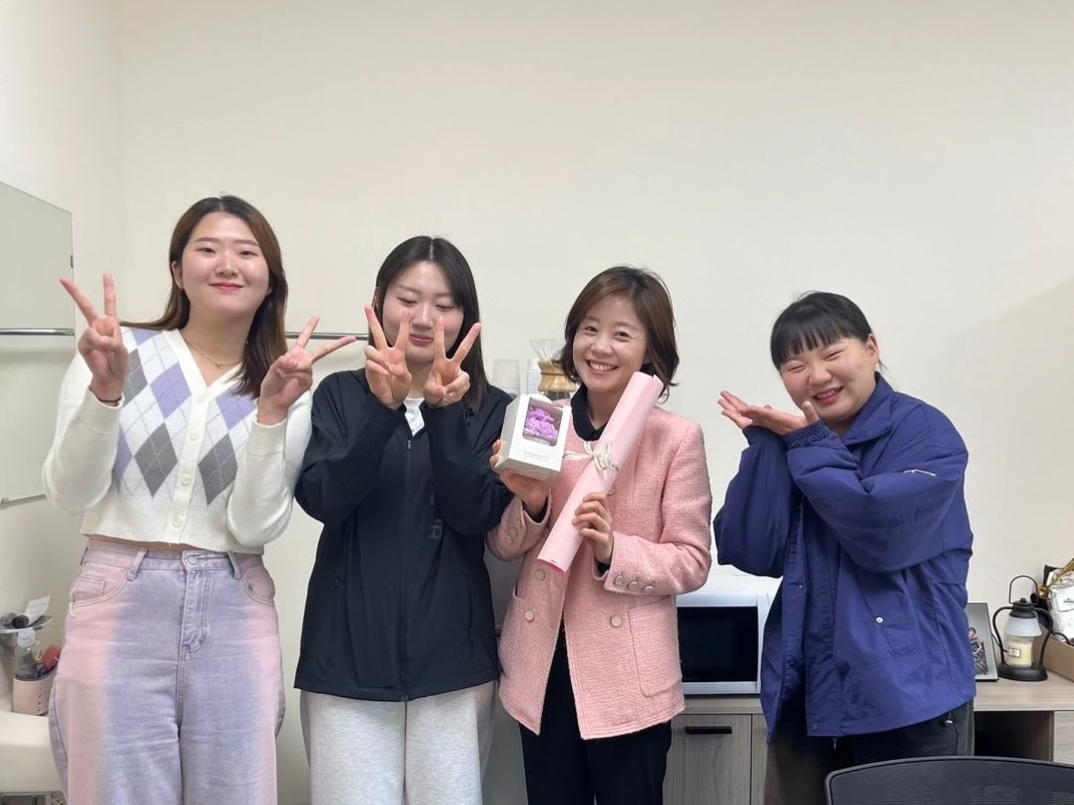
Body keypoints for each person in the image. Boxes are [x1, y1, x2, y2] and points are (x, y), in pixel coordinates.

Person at [42, 195, 352, 805]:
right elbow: (70, 493)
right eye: (208, 249)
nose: (227, 264)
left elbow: (254, 525)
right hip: (119, 602)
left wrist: (271, 414)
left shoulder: (286, 382)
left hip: (233, 603)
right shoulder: (115, 352)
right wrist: (105, 395)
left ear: (270, 281)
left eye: (246, 252)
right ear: (178, 271)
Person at [713, 291, 975, 805]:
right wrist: (766, 448)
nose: (816, 376)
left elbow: (879, 532)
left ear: (871, 348)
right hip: (807, 692)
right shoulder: (797, 443)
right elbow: (749, 549)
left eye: (832, 353)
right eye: (795, 365)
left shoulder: (925, 432)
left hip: (908, 697)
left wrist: (808, 445)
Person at [295, 236, 513, 805]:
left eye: (444, 305)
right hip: (346, 666)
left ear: (465, 316)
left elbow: (474, 514)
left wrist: (445, 415)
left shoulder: (493, 408)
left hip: (453, 670)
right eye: (408, 299)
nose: (423, 318)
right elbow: (323, 498)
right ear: (379, 301)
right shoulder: (340, 396)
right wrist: (380, 409)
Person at [487, 266, 713, 805]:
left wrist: (614, 550)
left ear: (650, 349)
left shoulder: (676, 438)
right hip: (543, 668)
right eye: (589, 329)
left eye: (621, 333)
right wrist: (533, 504)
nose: (600, 346)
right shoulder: (544, 422)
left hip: (627, 677)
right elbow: (501, 545)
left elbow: (692, 561)